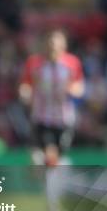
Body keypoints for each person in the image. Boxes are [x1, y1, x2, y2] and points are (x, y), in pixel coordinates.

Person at [19, 29, 84, 166]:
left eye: (56, 45)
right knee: (43, 156)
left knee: (56, 159)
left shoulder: (72, 63)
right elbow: (26, 84)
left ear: (63, 46)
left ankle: (55, 178)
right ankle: (48, 178)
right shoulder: (34, 63)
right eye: (50, 44)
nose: (53, 48)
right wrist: (25, 93)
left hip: (64, 118)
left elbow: (79, 86)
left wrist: (73, 90)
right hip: (42, 117)